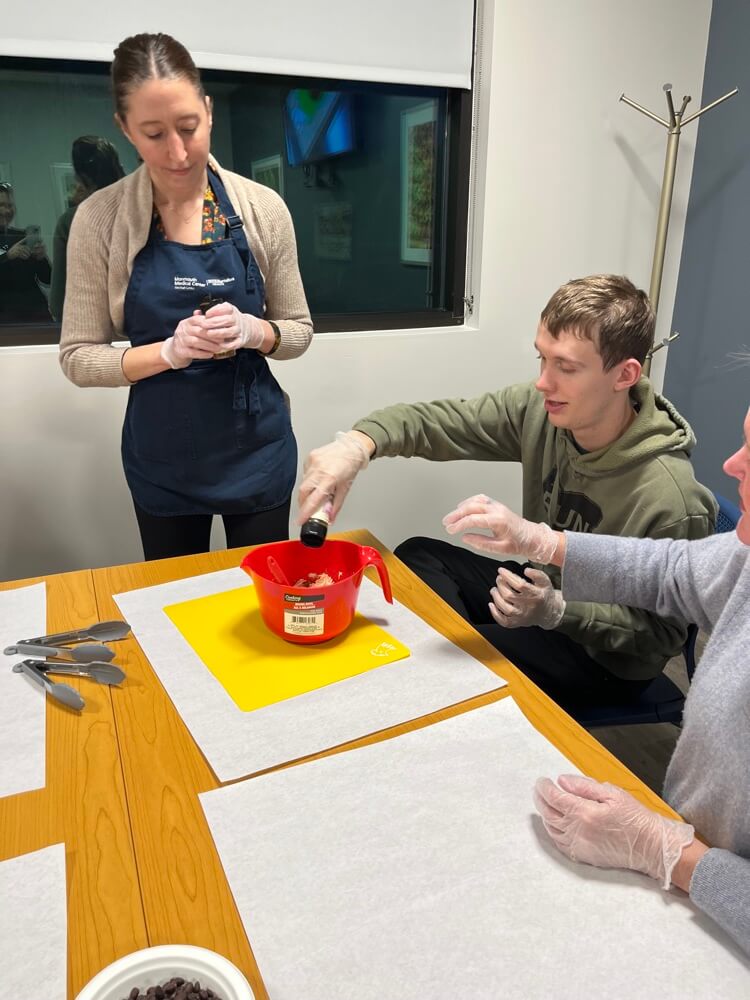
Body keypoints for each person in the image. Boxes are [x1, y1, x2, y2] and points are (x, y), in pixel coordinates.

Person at [297, 275, 716, 707]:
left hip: (605, 660)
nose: (543, 383)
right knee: (420, 555)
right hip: (539, 592)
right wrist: (357, 445)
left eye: (566, 368)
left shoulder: (670, 498)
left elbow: (661, 636)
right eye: (542, 359)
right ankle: (457, 694)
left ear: (625, 374)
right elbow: (438, 422)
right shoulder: (544, 411)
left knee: (444, 657)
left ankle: (453, 698)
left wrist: (557, 612)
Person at [443, 402, 750, 955]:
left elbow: (650, 635)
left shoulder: (667, 490)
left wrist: (666, 851)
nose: (732, 464)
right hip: (695, 869)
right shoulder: (743, 560)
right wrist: (544, 541)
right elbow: (672, 571)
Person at [59, 33, 312, 560]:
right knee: (173, 607)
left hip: (256, 447)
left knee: (258, 600)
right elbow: (78, 357)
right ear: (125, 129)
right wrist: (168, 353)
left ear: (210, 111)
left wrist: (254, 331)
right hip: (163, 457)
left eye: (188, 128)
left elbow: (298, 332)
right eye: (153, 134)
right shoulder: (100, 219)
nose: (177, 152)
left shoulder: (263, 209)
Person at [50, 135, 125, 321]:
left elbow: (59, 304)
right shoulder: (146, 211)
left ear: (81, 178)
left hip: (92, 329)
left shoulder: (71, 220)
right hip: (145, 330)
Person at [0, 181, 52, 323]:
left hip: (37, 313)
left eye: (9, 205)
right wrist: (8, 256)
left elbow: (47, 280)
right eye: (1, 205)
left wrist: (41, 258)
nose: (6, 211)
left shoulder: (22, 236)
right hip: (5, 317)